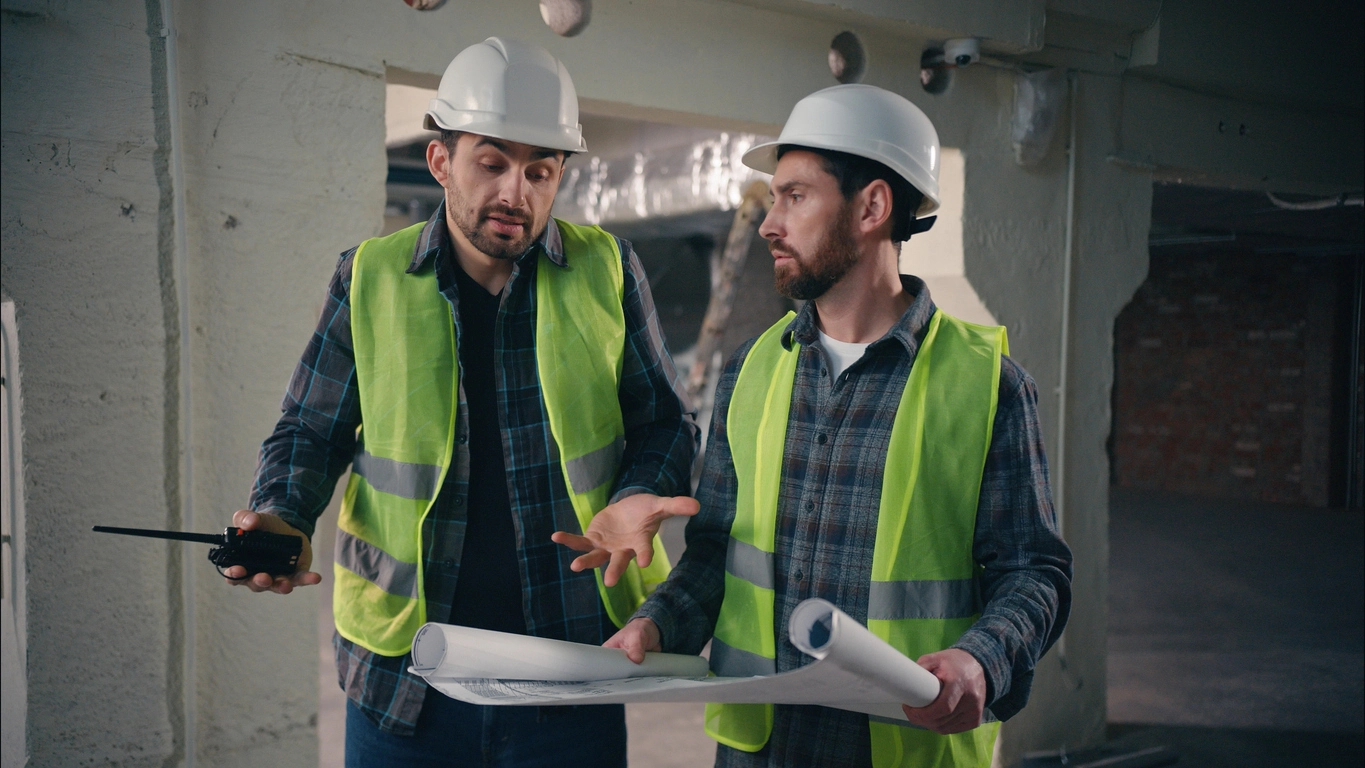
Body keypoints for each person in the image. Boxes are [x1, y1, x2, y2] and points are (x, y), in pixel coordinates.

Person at [555, 84, 1072, 767]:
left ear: (872, 207)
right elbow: (716, 556)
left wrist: (980, 661)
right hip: (759, 747)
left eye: (795, 196)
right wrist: (653, 624)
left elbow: (1034, 573)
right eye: (775, 198)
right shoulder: (753, 372)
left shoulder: (988, 386)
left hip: (899, 746)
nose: (771, 223)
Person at [226, 37, 699, 767]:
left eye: (539, 170)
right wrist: (281, 512)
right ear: (441, 162)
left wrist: (640, 491)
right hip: (405, 681)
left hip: (566, 676)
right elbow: (309, 430)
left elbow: (664, 422)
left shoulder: (606, 270)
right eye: (492, 162)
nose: (516, 192)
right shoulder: (370, 277)